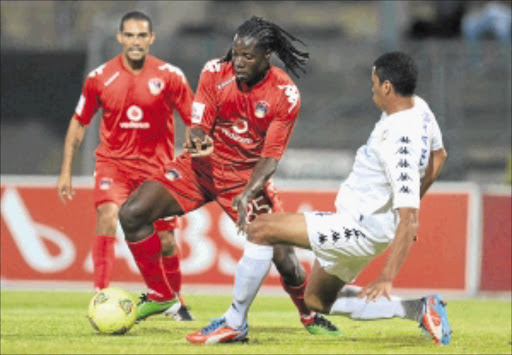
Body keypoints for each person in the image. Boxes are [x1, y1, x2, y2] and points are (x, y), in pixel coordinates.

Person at [119, 16, 340, 343]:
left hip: (245, 179)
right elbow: (198, 123)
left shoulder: (285, 94)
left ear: (267, 56)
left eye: (247, 56)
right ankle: (161, 294)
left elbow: (270, 157)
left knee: (286, 261)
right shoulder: (214, 71)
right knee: (132, 213)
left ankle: (309, 314)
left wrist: (249, 191)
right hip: (200, 169)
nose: (238, 62)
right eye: (235, 53)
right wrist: (197, 141)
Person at [245, 51, 452, 345]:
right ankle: (419, 308)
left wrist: (386, 277)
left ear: (388, 87)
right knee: (316, 301)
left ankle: (233, 322)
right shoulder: (419, 109)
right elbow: (439, 156)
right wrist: (411, 201)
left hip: (358, 227)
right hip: (365, 225)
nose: (372, 89)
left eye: (374, 82)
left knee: (261, 228)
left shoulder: (400, 142)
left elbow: (409, 218)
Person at [57, 11, 194, 321]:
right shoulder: (99, 77)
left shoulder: (171, 75)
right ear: (119, 38)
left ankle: (175, 302)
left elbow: (193, 119)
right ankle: (99, 295)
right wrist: (65, 170)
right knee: (108, 215)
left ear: (151, 39)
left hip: (157, 170)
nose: (135, 41)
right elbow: (79, 122)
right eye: (129, 35)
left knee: (167, 241)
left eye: (141, 35)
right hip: (113, 165)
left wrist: (189, 154)